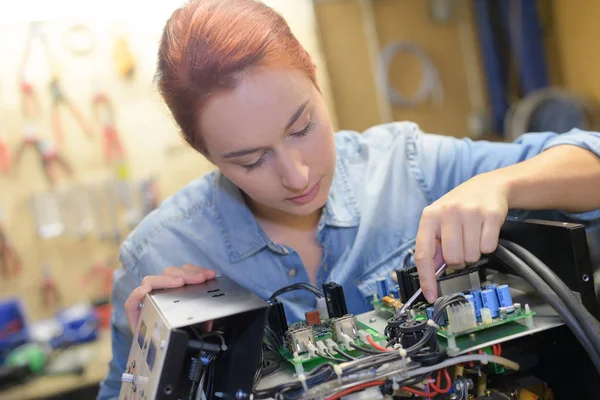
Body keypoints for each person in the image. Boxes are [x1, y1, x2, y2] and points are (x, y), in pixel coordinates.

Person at [97, 0, 600, 397]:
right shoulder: (157, 257)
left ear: (316, 79)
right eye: (250, 161)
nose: (296, 176)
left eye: (302, 127)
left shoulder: (405, 166)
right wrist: (157, 364)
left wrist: (503, 183)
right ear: (202, 151)